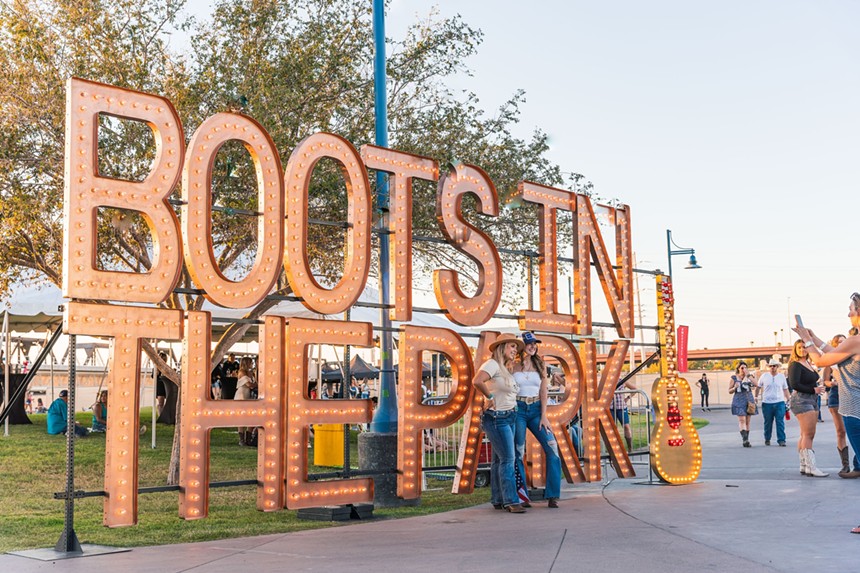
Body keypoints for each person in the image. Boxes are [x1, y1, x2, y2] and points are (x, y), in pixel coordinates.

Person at [473, 333, 526, 513]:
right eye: (512, 346)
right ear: (502, 347)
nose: (515, 351)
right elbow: (477, 381)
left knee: (498, 460)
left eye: (516, 348)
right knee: (508, 459)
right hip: (497, 418)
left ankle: (498, 498)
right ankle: (511, 501)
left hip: (509, 416)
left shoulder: (504, 368)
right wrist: (489, 396)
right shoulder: (492, 364)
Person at [512, 332, 562, 509]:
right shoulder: (512, 366)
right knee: (518, 452)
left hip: (535, 410)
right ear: (521, 346)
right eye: (529, 343)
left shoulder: (540, 365)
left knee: (552, 447)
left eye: (534, 343)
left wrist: (544, 415)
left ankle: (553, 495)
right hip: (518, 409)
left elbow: (543, 392)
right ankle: (522, 496)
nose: (533, 346)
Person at [784, 339, 828, 477]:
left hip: (811, 399)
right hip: (801, 400)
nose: (802, 349)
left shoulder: (807, 363)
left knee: (805, 434)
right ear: (795, 349)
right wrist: (813, 390)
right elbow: (794, 384)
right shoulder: (795, 365)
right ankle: (811, 467)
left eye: (804, 347)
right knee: (809, 434)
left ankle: (804, 465)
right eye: (799, 347)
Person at [822, 334, 850, 474]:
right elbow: (825, 381)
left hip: (852, 396)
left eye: (843, 342)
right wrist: (833, 383)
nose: (841, 344)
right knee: (841, 431)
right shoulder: (831, 361)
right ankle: (845, 464)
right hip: (836, 396)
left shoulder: (853, 357)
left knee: (855, 430)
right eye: (838, 342)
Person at [758, 359, 790, 446]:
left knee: (780, 421)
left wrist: (788, 398)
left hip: (779, 402)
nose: (772, 368)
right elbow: (758, 386)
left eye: (774, 366)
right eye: (771, 366)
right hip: (767, 403)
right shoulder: (764, 376)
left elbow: (785, 388)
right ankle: (767, 438)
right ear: (769, 367)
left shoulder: (781, 376)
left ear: (777, 367)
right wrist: (756, 397)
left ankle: (781, 440)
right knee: (768, 422)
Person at [728, 361, 760, 447]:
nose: (743, 369)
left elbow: (757, 384)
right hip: (738, 400)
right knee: (742, 419)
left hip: (749, 400)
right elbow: (729, 391)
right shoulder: (734, 378)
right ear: (738, 368)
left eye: (745, 368)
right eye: (742, 368)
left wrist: (748, 375)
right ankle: (745, 440)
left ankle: (747, 439)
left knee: (748, 421)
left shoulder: (749, 377)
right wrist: (735, 387)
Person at [234, 356, 257, 446]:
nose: (252, 364)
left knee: (250, 417)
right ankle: (241, 439)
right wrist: (257, 384)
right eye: (250, 363)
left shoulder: (250, 373)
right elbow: (249, 384)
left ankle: (248, 438)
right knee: (241, 417)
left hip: (248, 396)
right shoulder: (242, 372)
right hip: (242, 395)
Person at [155, 351, 169, 416]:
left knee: (162, 403)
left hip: (164, 386)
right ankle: (161, 415)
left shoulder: (165, 368)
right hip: (160, 387)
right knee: (161, 403)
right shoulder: (156, 368)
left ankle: (161, 415)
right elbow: (154, 376)